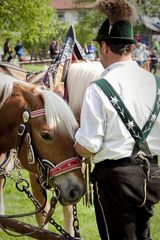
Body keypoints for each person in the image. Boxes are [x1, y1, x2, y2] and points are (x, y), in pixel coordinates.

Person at [74, 0, 160, 239]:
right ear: (131, 48)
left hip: (117, 180)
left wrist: (74, 140)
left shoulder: (99, 87)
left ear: (103, 46)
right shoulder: (155, 83)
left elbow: (88, 145)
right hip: (152, 174)